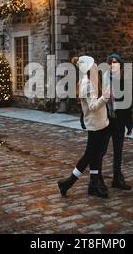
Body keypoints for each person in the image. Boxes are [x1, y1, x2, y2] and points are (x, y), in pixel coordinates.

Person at [57, 56, 111, 198]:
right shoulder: (86, 84)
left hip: (101, 123)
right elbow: (93, 106)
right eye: (94, 65)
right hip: (95, 125)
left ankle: (93, 184)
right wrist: (105, 97)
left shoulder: (91, 82)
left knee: (96, 156)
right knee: (89, 156)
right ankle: (68, 183)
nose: (96, 67)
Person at [103, 52, 133, 190]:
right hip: (106, 118)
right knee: (100, 149)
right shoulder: (103, 77)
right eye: (110, 62)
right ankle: (96, 177)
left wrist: (129, 123)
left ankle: (117, 177)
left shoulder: (123, 79)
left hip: (119, 119)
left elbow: (127, 103)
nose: (113, 65)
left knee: (118, 150)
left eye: (115, 62)